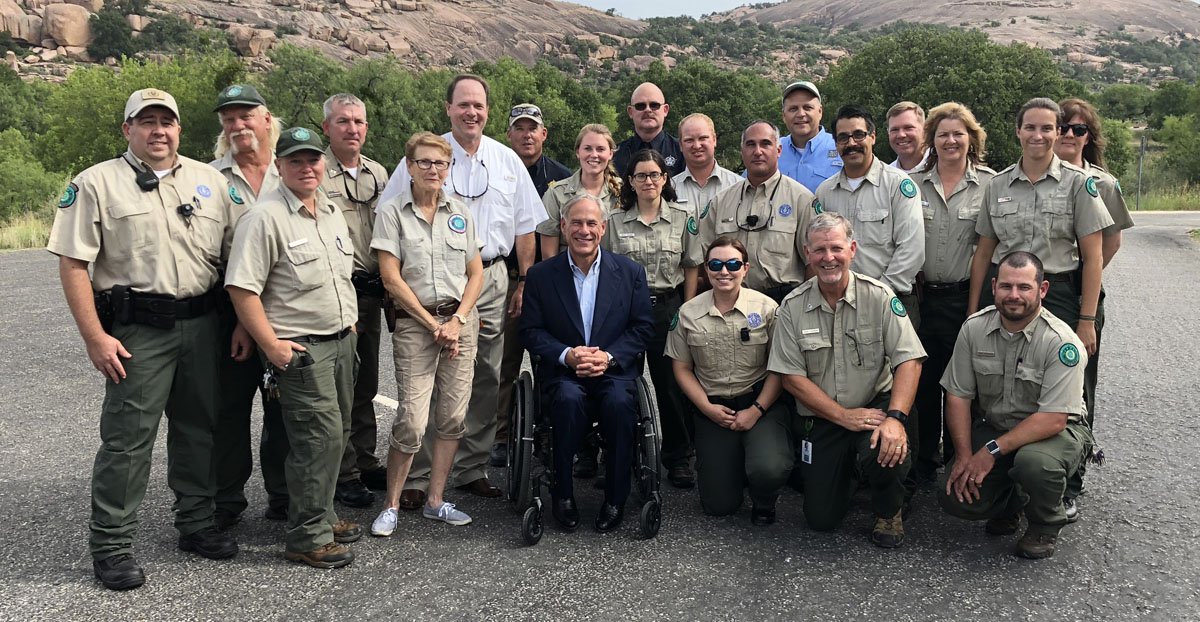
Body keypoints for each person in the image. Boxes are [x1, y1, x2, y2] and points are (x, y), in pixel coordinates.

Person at [49, 88, 239, 590]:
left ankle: (196, 524)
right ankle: (111, 546)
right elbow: (73, 263)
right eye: (147, 121)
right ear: (127, 129)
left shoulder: (209, 181)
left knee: (200, 428)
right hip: (138, 331)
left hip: (203, 324)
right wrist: (94, 336)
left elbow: (235, 258)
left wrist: (239, 322)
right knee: (128, 440)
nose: (159, 130)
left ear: (179, 128)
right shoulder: (95, 184)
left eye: (167, 121)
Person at [379, 74, 546, 507]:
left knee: (487, 376)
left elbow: (527, 226)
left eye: (479, 105)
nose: (471, 112)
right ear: (449, 108)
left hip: (489, 277)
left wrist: (524, 279)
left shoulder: (507, 160)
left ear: (488, 111)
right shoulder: (423, 156)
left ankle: (472, 467)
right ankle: (416, 477)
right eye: (463, 104)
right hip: (428, 279)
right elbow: (390, 217)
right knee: (428, 381)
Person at [225, 127, 363, 569]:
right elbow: (242, 289)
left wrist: (352, 322)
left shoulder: (330, 212)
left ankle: (320, 514)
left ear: (323, 164)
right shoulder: (264, 218)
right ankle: (307, 537)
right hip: (300, 348)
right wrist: (272, 345)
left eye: (313, 160)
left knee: (334, 433)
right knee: (316, 439)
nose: (307, 168)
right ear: (280, 166)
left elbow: (341, 275)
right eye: (296, 161)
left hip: (340, 342)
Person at [768, 212, 926, 548]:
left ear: (852, 249)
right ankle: (851, 472)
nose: (829, 258)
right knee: (820, 520)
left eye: (837, 248)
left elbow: (909, 360)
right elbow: (790, 377)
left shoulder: (880, 296)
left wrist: (896, 419)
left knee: (889, 444)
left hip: (874, 407)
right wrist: (842, 416)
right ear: (807, 254)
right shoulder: (792, 307)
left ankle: (888, 509)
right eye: (819, 250)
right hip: (824, 416)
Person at [938, 251, 1093, 560]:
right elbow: (957, 396)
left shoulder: (1061, 342)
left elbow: (1053, 419)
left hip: (1051, 434)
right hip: (998, 426)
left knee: (1035, 465)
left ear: (1043, 290)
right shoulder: (974, 328)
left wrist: (989, 452)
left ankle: (1044, 524)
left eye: (1024, 287)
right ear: (993, 286)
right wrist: (965, 456)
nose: (1014, 295)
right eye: (1006, 286)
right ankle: (1012, 502)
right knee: (955, 499)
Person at [369, 132, 484, 537]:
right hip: (417, 327)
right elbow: (390, 277)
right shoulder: (393, 213)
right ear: (410, 167)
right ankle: (392, 505)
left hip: (459, 325)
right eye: (424, 163)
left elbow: (476, 273)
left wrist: (457, 321)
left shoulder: (461, 213)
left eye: (440, 164)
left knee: (452, 416)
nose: (433, 170)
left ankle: (436, 500)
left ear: (449, 169)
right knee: (412, 422)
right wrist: (433, 324)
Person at [520, 195, 655, 533]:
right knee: (566, 401)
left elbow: (642, 328)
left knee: (619, 404)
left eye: (591, 223)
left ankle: (615, 498)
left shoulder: (629, 272)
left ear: (603, 228)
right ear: (563, 227)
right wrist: (568, 354)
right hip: (565, 372)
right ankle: (562, 495)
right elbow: (532, 332)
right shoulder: (540, 275)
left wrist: (607, 357)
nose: (584, 230)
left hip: (613, 371)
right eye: (576, 223)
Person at [665, 237, 793, 524]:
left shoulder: (768, 308)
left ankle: (763, 498)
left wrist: (757, 409)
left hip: (760, 405)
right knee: (718, 505)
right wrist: (707, 408)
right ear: (706, 270)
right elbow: (682, 368)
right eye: (716, 264)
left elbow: (779, 367)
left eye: (733, 264)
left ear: (745, 268)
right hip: (714, 409)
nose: (725, 271)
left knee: (768, 469)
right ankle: (735, 468)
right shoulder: (688, 313)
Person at [209, 83, 290, 528]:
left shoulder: (294, 168)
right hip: (231, 313)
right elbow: (208, 254)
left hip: (287, 310)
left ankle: (282, 495)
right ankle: (226, 500)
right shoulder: (208, 177)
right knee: (231, 409)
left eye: (246, 115)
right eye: (229, 118)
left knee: (283, 410)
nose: (238, 125)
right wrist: (241, 320)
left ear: (266, 119)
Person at [1054, 97, 1135, 509]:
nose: (1068, 135)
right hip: (1035, 293)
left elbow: (1111, 243)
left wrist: (1085, 288)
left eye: (1077, 129)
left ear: (1089, 136)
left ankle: (1072, 476)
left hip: (1078, 292)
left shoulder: (1102, 183)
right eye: (1062, 126)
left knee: (1079, 385)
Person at [605, 149, 703, 488]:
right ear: (630, 181)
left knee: (671, 385)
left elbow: (691, 265)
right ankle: (625, 453)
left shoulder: (683, 216)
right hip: (625, 312)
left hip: (667, 308)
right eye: (641, 175)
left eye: (655, 174)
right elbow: (603, 270)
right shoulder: (614, 221)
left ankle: (678, 456)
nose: (648, 181)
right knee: (621, 382)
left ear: (665, 178)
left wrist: (688, 310)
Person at [910, 102, 996, 485]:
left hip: (966, 297)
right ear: (932, 139)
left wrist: (975, 309)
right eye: (943, 134)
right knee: (924, 383)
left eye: (958, 133)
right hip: (923, 298)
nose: (950, 140)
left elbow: (987, 248)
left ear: (971, 139)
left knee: (965, 384)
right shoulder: (911, 183)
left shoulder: (990, 184)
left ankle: (958, 459)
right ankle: (924, 458)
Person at [491, 103, 572, 468]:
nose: (526, 134)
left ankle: (548, 430)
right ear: (509, 134)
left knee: (551, 361)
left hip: (550, 280)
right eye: (519, 128)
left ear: (544, 134)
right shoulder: (493, 170)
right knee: (502, 364)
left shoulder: (562, 177)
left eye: (532, 128)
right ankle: (500, 435)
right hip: (506, 278)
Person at [318, 93, 390, 503]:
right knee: (340, 384)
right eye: (343, 121)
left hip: (371, 292)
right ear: (327, 127)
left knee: (366, 382)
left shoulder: (377, 173)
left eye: (359, 122)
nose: (352, 129)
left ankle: (364, 460)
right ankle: (343, 473)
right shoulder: (316, 171)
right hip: (335, 292)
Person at [814, 104, 925, 321]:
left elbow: (912, 249)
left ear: (873, 136)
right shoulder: (824, 192)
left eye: (858, 135)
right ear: (836, 143)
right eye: (843, 137)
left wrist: (877, 294)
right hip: (839, 304)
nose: (851, 143)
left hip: (892, 301)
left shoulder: (898, 185)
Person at [696, 120, 815, 304]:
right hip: (731, 302)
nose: (758, 151)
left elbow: (813, 263)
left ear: (778, 150)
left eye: (765, 144)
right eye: (751, 144)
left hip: (784, 304)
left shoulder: (802, 200)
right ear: (742, 151)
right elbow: (703, 257)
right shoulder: (721, 202)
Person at [538, 123, 623, 260]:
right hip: (567, 276)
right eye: (587, 148)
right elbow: (549, 256)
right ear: (578, 152)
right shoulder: (556, 194)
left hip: (615, 275)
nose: (594, 155)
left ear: (610, 154)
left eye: (600, 149)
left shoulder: (624, 193)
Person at [778, 80, 842, 193]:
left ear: (820, 112)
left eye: (807, 107)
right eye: (793, 109)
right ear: (784, 116)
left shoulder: (841, 147)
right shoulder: (771, 151)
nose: (801, 114)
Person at [671, 113, 742, 212]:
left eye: (702, 138)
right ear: (681, 145)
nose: (696, 145)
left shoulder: (738, 186)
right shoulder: (669, 189)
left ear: (714, 140)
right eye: (689, 140)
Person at [613, 82, 685, 177]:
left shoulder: (682, 152)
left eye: (654, 105)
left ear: (665, 110)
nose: (648, 110)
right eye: (640, 106)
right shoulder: (615, 155)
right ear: (630, 112)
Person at [887, 101, 930, 174]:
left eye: (908, 128)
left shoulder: (943, 167)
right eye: (895, 129)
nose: (901, 135)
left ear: (925, 130)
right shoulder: (886, 177)